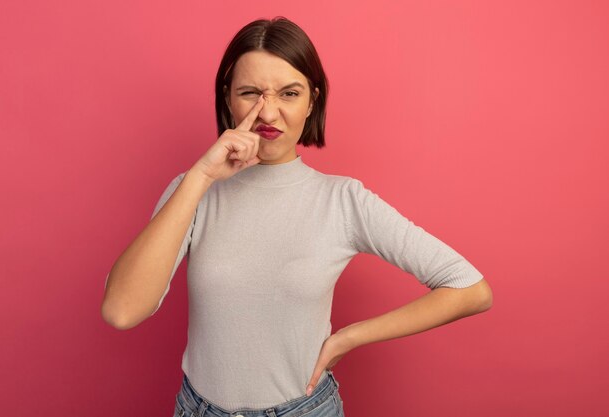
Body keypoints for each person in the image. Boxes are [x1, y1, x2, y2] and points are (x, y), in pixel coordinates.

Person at [101, 16, 493, 417]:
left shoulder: (342, 201)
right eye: (250, 92)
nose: (267, 113)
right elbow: (121, 309)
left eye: (289, 93)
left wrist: (350, 337)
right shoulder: (193, 190)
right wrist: (201, 176)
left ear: (312, 101)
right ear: (227, 98)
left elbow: (470, 289)